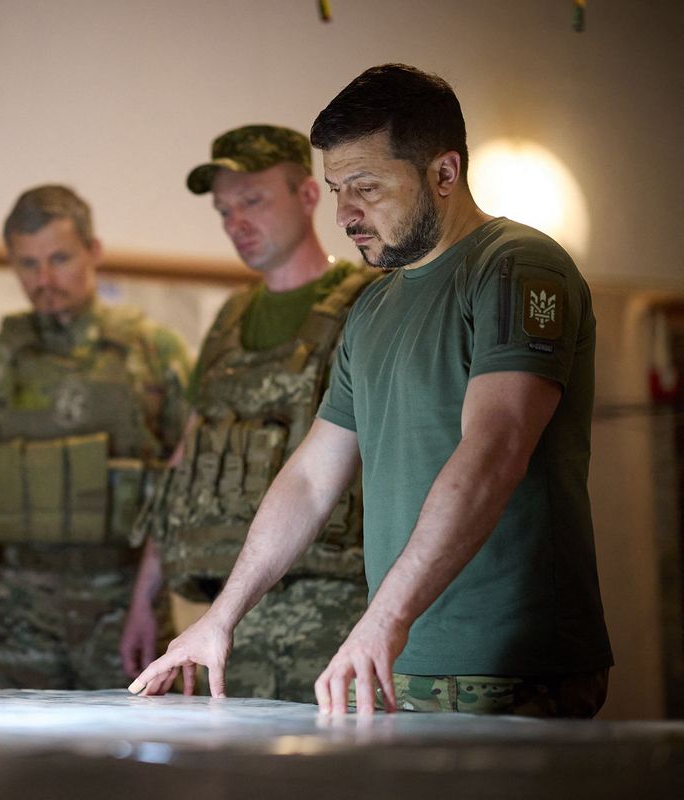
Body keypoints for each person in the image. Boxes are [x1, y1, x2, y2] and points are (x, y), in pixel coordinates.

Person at [129, 64, 613, 718]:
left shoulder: (517, 265)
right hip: (401, 664)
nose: (345, 213)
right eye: (335, 189)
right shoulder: (374, 306)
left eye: (366, 187)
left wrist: (385, 618)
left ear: (444, 174)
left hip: (512, 663)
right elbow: (309, 478)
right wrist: (221, 617)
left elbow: (495, 450)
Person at [119, 125, 378, 702]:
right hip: (228, 619)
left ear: (309, 196)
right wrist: (146, 599)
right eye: (224, 210)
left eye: (254, 201)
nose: (236, 222)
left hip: (335, 613)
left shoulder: (370, 303)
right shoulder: (229, 320)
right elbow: (188, 460)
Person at [0, 184, 191, 689]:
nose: (44, 279)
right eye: (28, 264)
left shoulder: (154, 354)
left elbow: (184, 483)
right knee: (9, 764)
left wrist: (144, 593)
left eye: (59, 259)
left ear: (93, 252)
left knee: (138, 755)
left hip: (126, 607)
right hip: (18, 612)